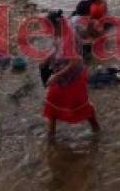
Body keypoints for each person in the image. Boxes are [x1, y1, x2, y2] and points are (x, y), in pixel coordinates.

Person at [41, 10, 100, 140]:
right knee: (52, 102)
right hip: (60, 76)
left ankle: (97, 130)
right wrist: (48, 57)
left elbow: (75, 62)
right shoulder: (59, 33)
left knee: (81, 106)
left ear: (57, 25)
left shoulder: (71, 38)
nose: (49, 32)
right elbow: (57, 49)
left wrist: (56, 76)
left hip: (74, 79)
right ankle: (51, 136)